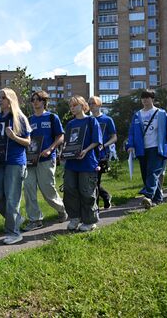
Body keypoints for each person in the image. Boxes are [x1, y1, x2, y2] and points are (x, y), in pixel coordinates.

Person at [0, 88, 31, 244]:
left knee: (12, 198)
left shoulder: (20, 118)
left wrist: (13, 136)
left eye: (3, 97)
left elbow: (28, 142)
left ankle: (14, 233)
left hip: (15, 162)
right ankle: (16, 219)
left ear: (10, 99)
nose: (0, 100)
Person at [23, 91, 67, 232]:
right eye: (33, 99)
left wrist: (50, 149)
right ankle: (35, 219)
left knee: (47, 189)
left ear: (44, 102)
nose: (35, 101)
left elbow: (60, 137)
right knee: (29, 188)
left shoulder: (52, 117)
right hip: (30, 161)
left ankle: (62, 209)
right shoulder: (28, 120)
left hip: (47, 159)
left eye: (38, 99)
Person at [127, 89, 167, 209]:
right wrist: (130, 145)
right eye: (143, 98)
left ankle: (147, 195)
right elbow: (132, 132)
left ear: (152, 99)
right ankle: (157, 199)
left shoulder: (161, 113)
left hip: (157, 148)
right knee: (146, 174)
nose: (145, 100)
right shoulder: (137, 114)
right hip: (142, 149)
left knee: (153, 172)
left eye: (147, 98)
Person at [62, 95, 102, 232]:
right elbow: (67, 143)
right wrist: (64, 152)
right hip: (71, 163)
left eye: (75, 105)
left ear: (83, 105)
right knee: (69, 189)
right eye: (70, 106)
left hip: (87, 162)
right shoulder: (70, 124)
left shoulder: (91, 121)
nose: (72, 108)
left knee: (86, 191)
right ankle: (75, 217)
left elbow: (97, 140)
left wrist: (85, 150)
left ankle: (90, 221)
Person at [88, 96, 117, 209]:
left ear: (99, 105)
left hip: (101, 155)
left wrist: (104, 145)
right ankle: (105, 196)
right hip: (89, 154)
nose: (91, 106)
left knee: (95, 180)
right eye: (89, 103)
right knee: (92, 181)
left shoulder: (107, 120)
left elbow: (114, 137)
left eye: (93, 103)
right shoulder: (88, 120)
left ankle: (95, 206)